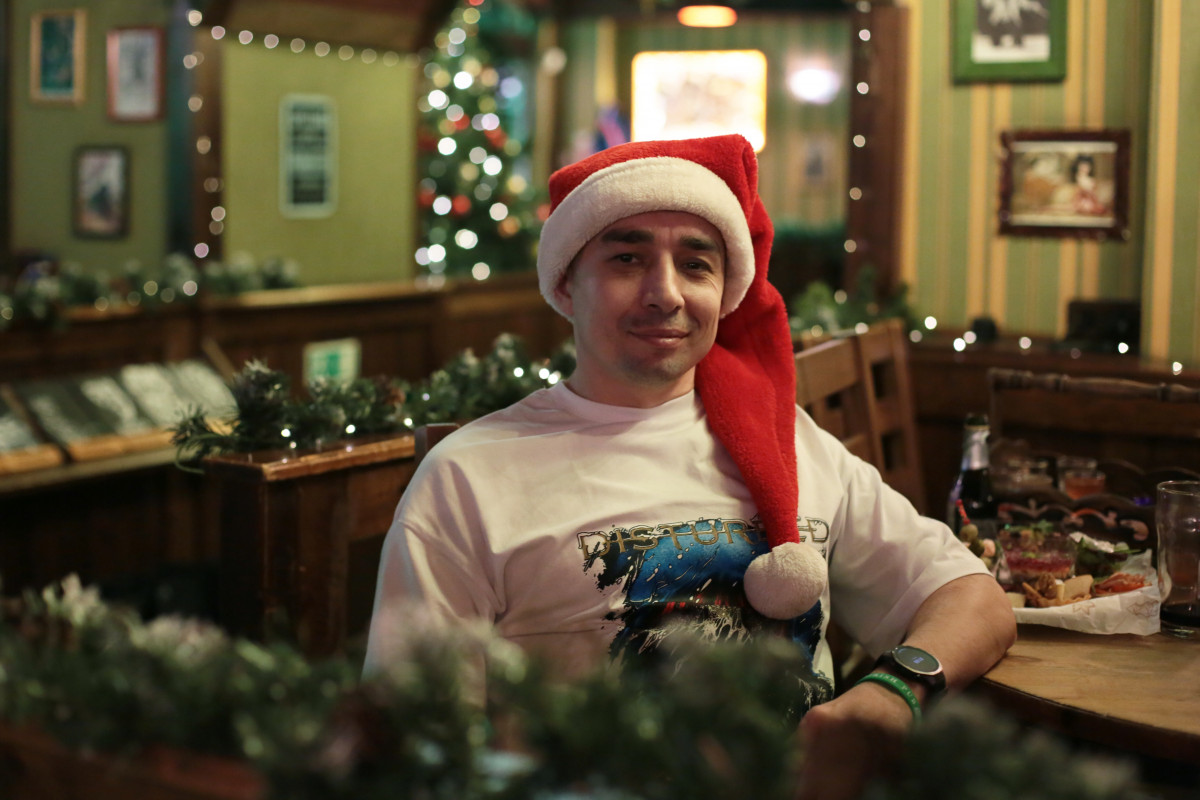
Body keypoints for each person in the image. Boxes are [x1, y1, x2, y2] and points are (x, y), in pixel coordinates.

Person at [365, 134, 1016, 799]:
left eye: (696, 265)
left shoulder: (787, 441)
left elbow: (973, 598)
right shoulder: (466, 480)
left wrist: (894, 691)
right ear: (565, 281)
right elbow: (411, 745)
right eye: (626, 258)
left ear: (725, 291)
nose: (666, 294)